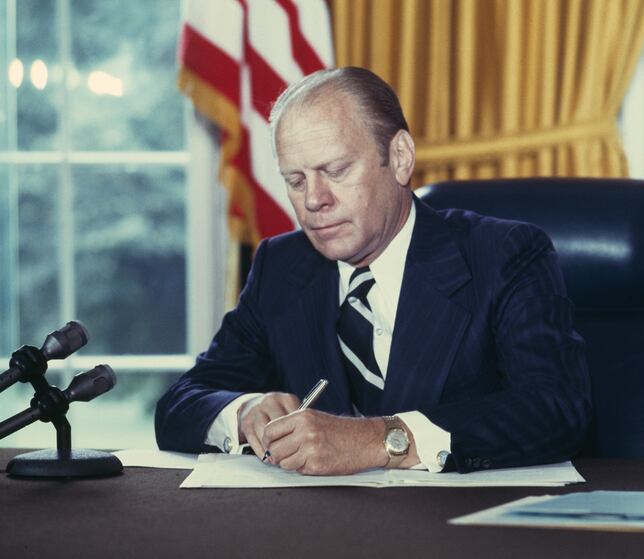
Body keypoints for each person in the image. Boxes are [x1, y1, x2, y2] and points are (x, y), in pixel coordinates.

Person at [155, 67, 591, 475]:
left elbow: (556, 408)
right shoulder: (281, 267)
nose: (314, 200)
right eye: (296, 180)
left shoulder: (503, 254)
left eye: (336, 170)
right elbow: (180, 404)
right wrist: (244, 411)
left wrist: (379, 440)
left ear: (399, 157)